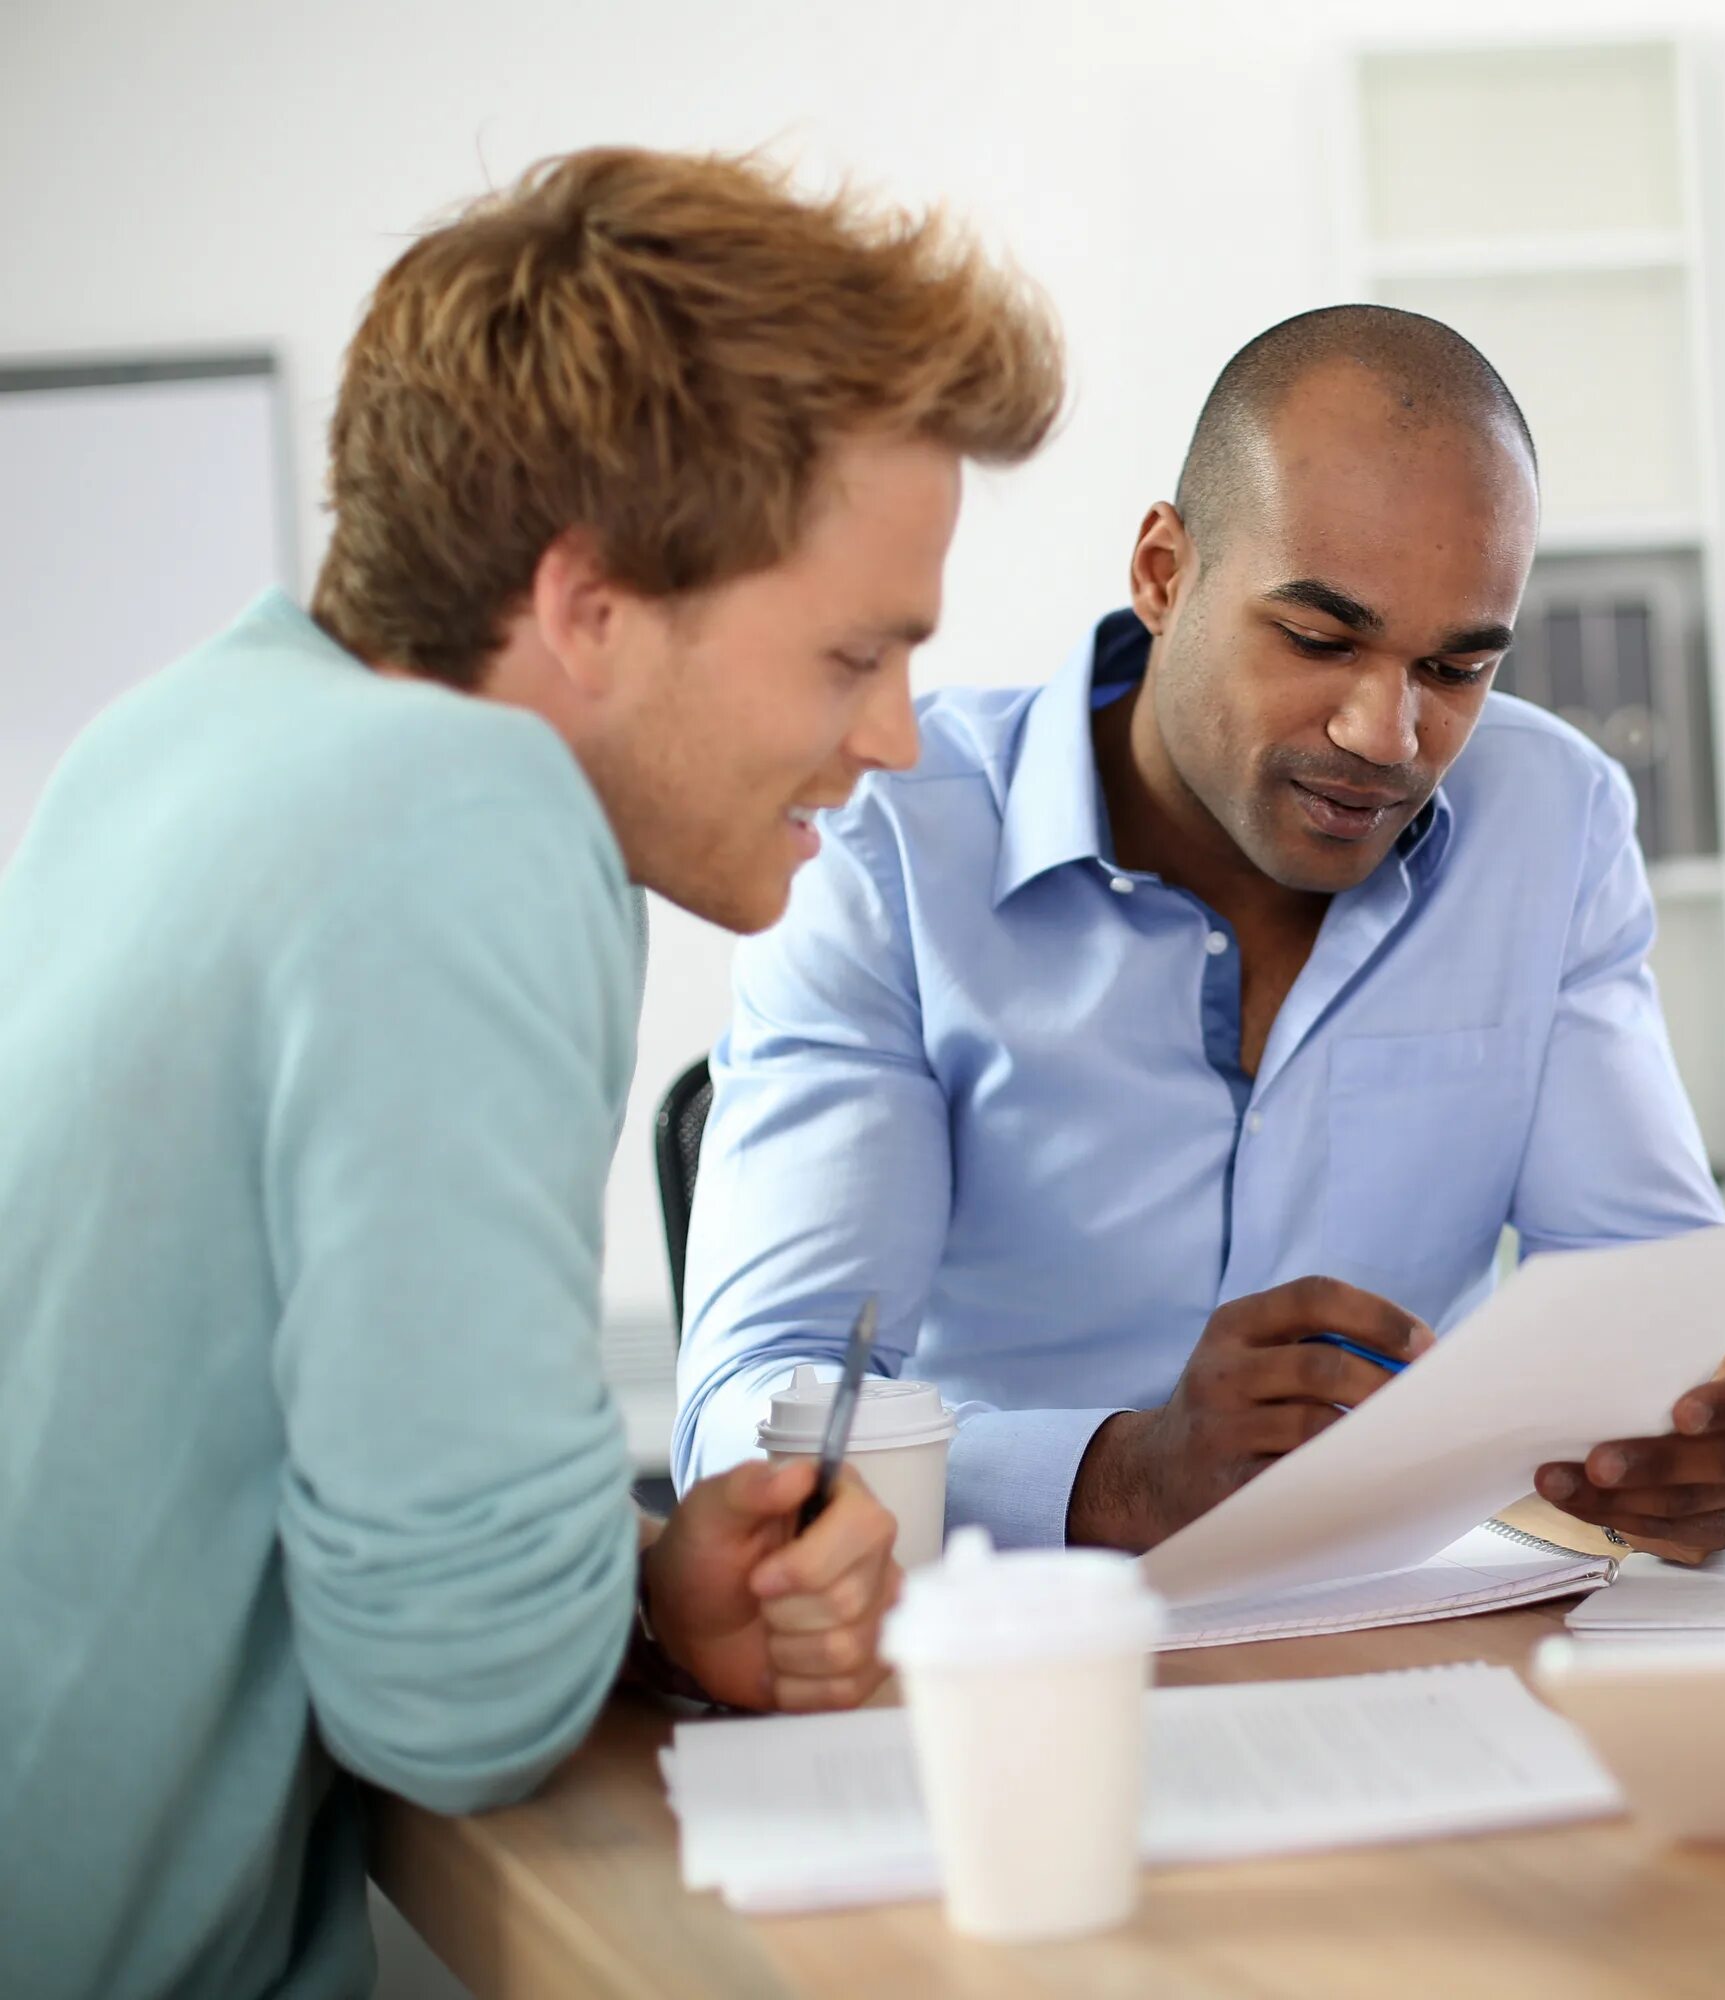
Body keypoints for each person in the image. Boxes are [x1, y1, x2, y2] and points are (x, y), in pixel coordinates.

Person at [0, 148, 1062, 1994]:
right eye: (851, 653)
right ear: (588, 608)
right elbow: (464, 1697)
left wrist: (641, 1585)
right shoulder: (463, 819)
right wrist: (603, 1585)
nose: (892, 738)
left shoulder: (183, 737)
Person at [673, 305, 1725, 1559]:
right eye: (1321, 639)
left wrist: (1712, 1421)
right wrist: (1122, 1475)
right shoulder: (882, 845)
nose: (1388, 733)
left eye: (1457, 668)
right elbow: (750, 1412)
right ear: (1163, 572)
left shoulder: (1552, 817)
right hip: (1015, 1637)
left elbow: (1655, 1288)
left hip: (1399, 1625)